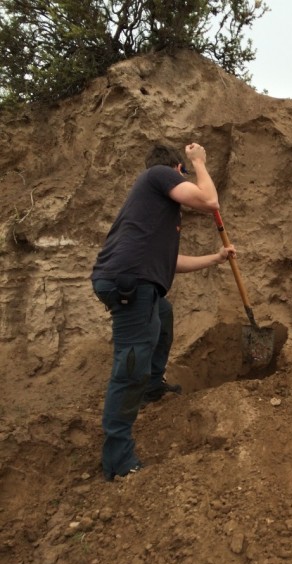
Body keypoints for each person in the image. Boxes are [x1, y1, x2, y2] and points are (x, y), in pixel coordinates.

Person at [91, 142, 236, 481]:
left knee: (164, 315)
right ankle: (119, 460)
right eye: (184, 173)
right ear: (177, 171)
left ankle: (153, 387)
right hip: (129, 285)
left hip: (137, 283)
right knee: (130, 366)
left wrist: (215, 259)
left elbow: (171, 264)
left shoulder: (155, 216)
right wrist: (199, 161)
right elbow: (209, 200)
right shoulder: (158, 175)